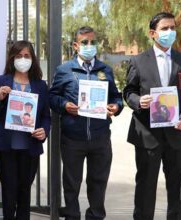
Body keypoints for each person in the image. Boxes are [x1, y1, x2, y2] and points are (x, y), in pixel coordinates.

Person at [123, 12, 181, 220]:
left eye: (173, 28)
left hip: (176, 135)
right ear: (152, 33)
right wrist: (139, 101)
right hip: (147, 136)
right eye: (165, 29)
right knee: (145, 191)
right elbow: (128, 92)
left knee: (177, 191)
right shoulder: (139, 61)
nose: (170, 32)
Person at [49, 26, 123, 220]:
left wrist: (116, 106)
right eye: (84, 42)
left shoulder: (105, 70)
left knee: (98, 182)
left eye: (92, 42)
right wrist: (65, 105)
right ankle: (72, 216)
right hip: (73, 138)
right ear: (76, 45)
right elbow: (52, 97)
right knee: (72, 183)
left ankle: (96, 216)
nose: (89, 46)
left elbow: (116, 97)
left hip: (100, 137)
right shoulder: (65, 70)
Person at [0, 40, 51, 220]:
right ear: (12, 58)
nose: (23, 59)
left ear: (33, 59)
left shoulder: (40, 85)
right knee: (9, 192)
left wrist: (44, 131)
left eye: (27, 56)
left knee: (24, 193)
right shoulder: (0, 81)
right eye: (19, 56)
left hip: (30, 148)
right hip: (6, 148)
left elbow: (46, 116)